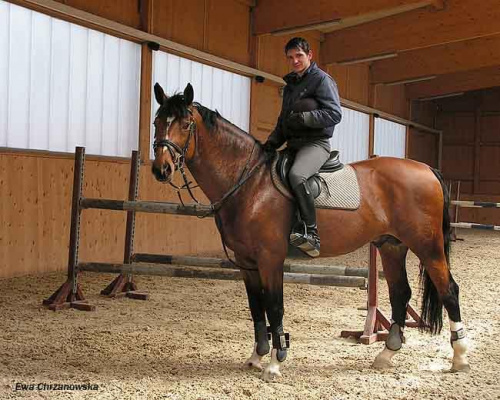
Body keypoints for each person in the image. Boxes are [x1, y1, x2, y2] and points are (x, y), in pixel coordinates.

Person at [263, 37, 342, 257]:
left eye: (299, 55)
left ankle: (311, 232)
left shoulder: (322, 80)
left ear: (310, 55)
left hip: (315, 144)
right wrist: (271, 142)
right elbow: (283, 121)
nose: (295, 60)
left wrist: (305, 118)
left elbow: (335, 114)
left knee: (297, 175)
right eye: (290, 57)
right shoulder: (290, 85)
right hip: (293, 144)